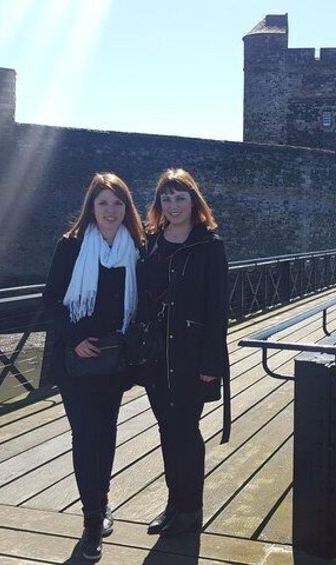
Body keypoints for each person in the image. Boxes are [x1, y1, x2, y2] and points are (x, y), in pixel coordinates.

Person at [43, 172, 145, 562]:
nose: (110, 210)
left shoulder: (134, 246)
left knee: (106, 433)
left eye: (117, 203)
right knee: (86, 435)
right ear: (91, 207)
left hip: (115, 360)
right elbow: (52, 299)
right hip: (77, 359)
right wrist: (74, 339)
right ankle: (91, 521)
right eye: (103, 203)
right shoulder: (70, 246)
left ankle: (101, 503)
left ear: (126, 208)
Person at [142, 168, 231, 538]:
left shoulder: (209, 245)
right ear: (159, 203)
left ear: (194, 202)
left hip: (191, 354)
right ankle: (173, 503)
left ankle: (191, 509)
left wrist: (212, 362)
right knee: (167, 429)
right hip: (154, 354)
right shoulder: (151, 241)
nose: (173, 205)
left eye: (180, 197)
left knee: (186, 429)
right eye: (166, 197)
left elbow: (218, 307)